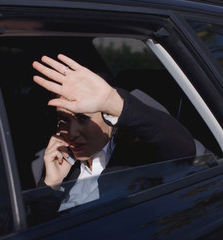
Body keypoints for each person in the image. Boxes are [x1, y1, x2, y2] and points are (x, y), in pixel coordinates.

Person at [31, 54, 196, 217]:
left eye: (83, 118)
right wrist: (51, 185)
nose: (72, 133)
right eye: (63, 120)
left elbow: (183, 150)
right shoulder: (63, 166)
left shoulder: (137, 160)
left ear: (107, 115)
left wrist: (115, 102)